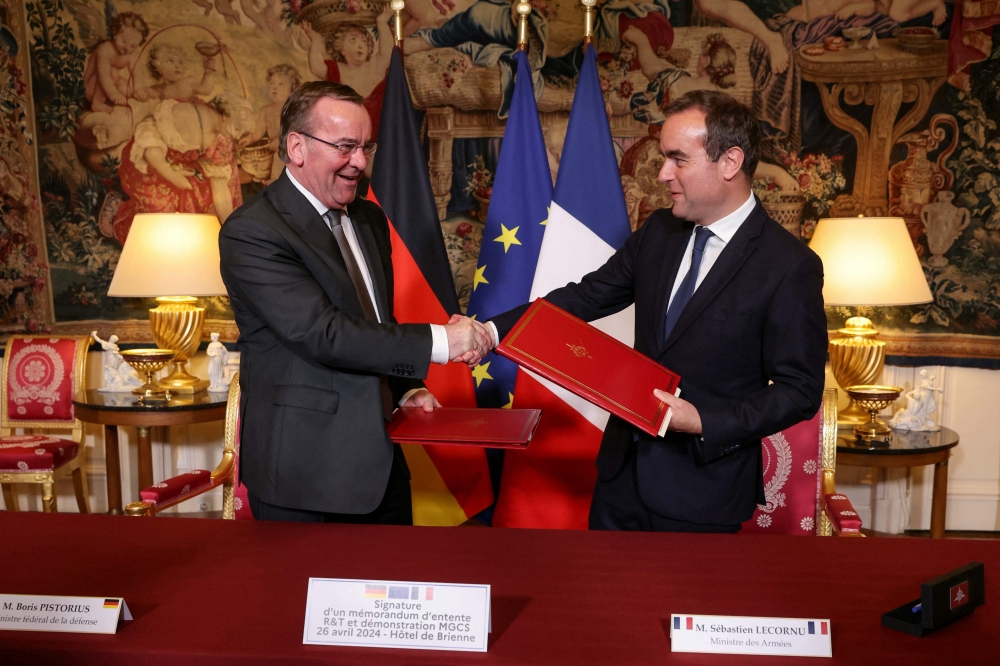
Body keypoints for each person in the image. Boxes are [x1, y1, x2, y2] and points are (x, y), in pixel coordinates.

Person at [489, 90, 827, 532]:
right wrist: (491, 332)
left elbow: (799, 390)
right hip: (619, 479)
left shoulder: (789, 266)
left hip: (703, 491)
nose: (663, 173)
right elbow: (585, 297)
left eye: (677, 159)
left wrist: (704, 420)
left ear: (729, 162)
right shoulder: (660, 232)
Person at [218, 81, 492, 524]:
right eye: (345, 147)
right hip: (307, 477)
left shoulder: (368, 218)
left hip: (383, 468)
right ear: (297, 147)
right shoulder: (253, 231)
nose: (361, 163)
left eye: (366, 147)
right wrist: (444, 341)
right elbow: (322, 333)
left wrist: (405, 388)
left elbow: (375, 319)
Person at [83, 11, 151, 113]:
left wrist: (138, 89)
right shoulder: (105, 49)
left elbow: (137, 71)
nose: (127, 48)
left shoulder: (132, 54)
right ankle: (97, 103)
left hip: (109, 85)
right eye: (124, 41)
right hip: (90, 88)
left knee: (127, 91)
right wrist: (113, 93)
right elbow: (104, 76)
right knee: (113, 73)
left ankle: (110, 101)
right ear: (115, 34)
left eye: (133, 46)